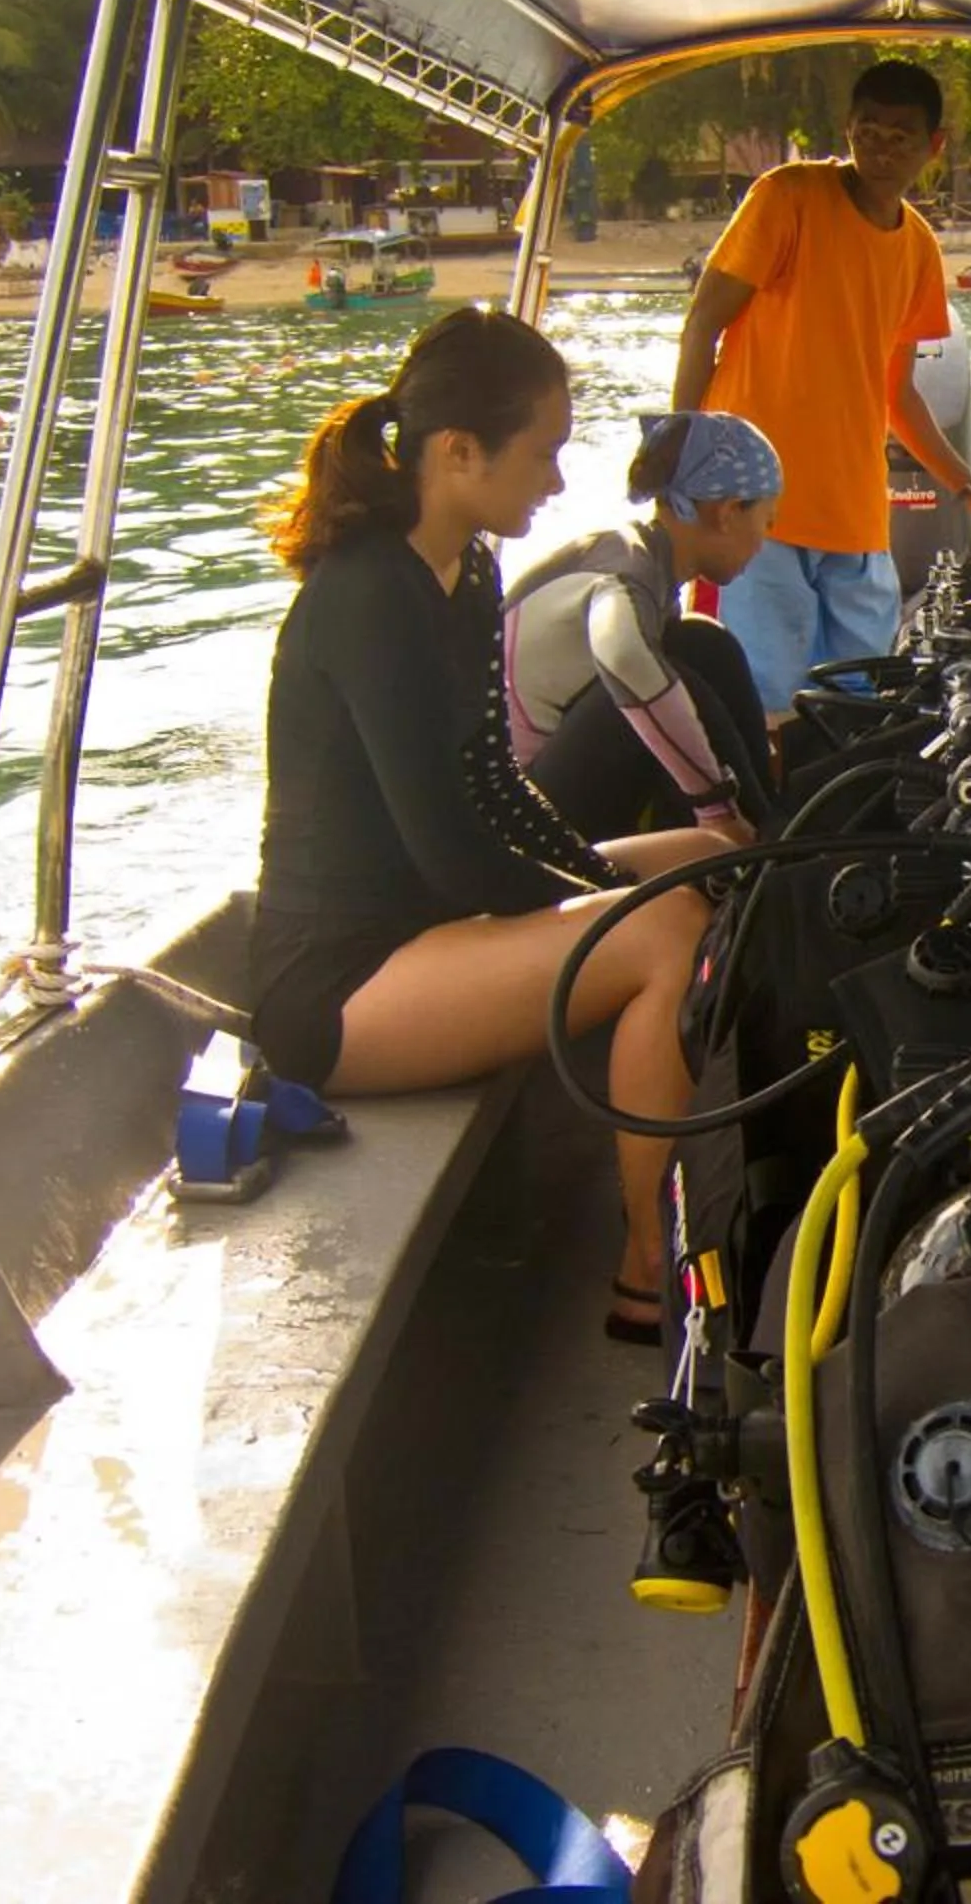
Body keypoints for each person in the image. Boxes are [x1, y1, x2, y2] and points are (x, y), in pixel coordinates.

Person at [252, 308, 733, 1344]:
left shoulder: (463, 570)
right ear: (458, 453)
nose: (557, 482)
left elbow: (495, 787)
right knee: (664, 930)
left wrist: (587, 869)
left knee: (717, 858)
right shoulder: (368, 596)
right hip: (342, 985)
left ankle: (730, 1158)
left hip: (430, 930)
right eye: (542, 454)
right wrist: (607, 902)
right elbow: (447, 850)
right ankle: (649, 1274)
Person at [667, 58, 971, 716]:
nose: (882, 150)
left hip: (858, 522)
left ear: (933, 145)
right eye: (869, 132)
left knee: (859, 709)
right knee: (768, 703)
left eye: (900, 137)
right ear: (848, 129)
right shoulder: (787, 198)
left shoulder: (917, 248)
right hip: (754, 514)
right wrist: (680, 464)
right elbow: (702, 326)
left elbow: (901, 396)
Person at [504, 410, 782, 846]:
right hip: (522, 815)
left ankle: (770, 825)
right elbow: (623, 656)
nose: (765, 540)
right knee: (665, 678)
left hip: (557, 779)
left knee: (703, 642)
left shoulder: (646, 559)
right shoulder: (627, 570)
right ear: (728, 513)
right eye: (767, 521)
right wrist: (715, 808)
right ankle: (750, 842)